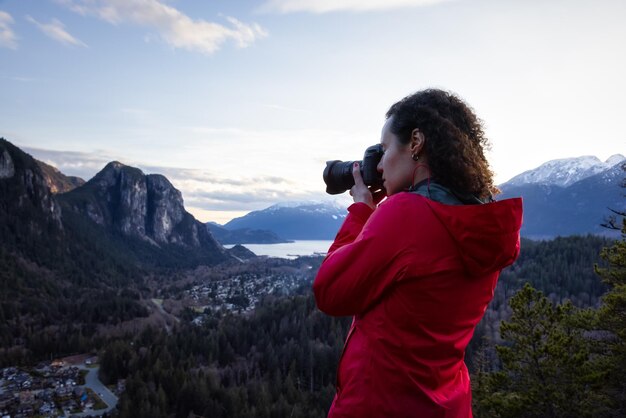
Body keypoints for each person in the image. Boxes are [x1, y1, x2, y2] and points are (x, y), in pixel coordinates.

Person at [313, 89, 523, 417]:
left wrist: (361, 212)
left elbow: (329, 292)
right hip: (446, 404)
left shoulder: (407, 214)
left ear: (415, 142)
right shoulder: (479, 222)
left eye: (383, 150)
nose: (379, 165)